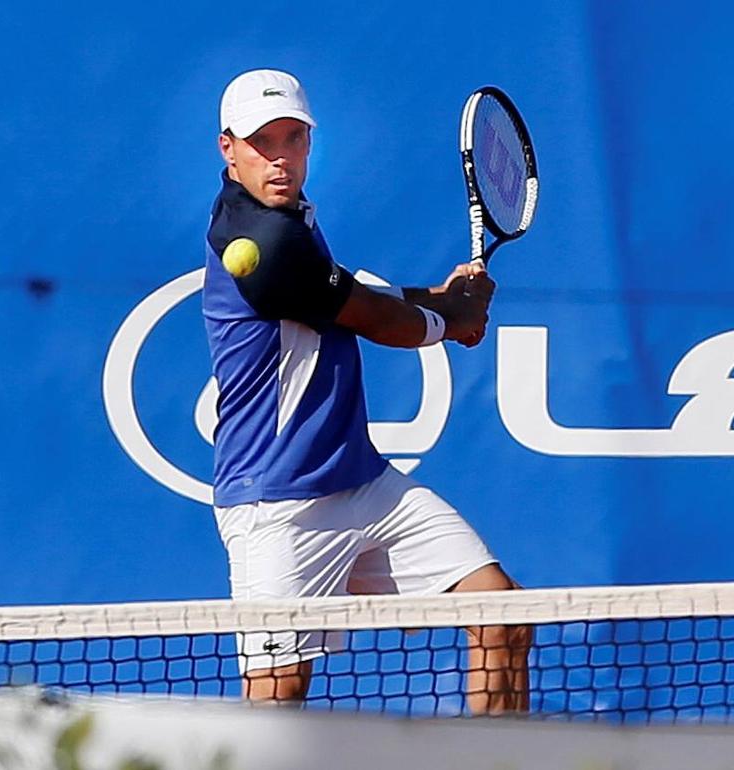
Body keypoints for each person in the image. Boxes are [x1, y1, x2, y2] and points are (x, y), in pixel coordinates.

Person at [201, 69, 530, 714]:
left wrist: (438, 296)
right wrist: (446, 321)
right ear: (228, 148)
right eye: (262, 142)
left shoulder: (290, 219)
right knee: (276, 704)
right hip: (279, 505)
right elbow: (373, 320)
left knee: (505, 619)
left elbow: (342, 294)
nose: (280, 158)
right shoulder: (257, 241)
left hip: (364, 483)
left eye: (292, 139)